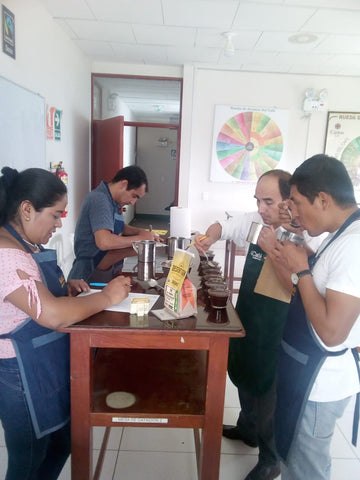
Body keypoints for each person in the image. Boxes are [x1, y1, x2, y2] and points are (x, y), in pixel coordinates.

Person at [0, 166, 131, 480]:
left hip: (43, 363)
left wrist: (64, 289)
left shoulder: (25, 244)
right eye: (56, 215)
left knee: (61, 443)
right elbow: (53, 315)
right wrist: (107, 297)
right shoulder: (7, 254)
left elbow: (35, 295)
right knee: (28, 460)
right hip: (20, 373)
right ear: (27, 209)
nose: (59, 224)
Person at [195, 169, 322, 480]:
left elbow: (300, 283)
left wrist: (277, 243)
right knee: (244, 372)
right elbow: (224, 225)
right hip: (250, 315)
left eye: (269, 201)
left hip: (278, 327)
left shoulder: (304, 236)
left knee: (269, 391)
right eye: (258, 200)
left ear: (289, 202)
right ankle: (246, 427)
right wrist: (210, 236)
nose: (262, 208)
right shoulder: (255, 221)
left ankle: (271, 458)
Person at [271, 155, 360, 480]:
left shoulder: (355, 246)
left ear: (322, 199)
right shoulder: (340, 235)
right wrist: (296, 259)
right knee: (297, 460)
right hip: (306, 374)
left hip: (320, 383)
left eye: (295, 203)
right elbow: (315, 289)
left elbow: (332, 332)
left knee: (306, 470)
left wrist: (300, 269)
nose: (292, 211)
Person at [68, 165, 162, 283]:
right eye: (134, 196)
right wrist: (140, 239)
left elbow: (117, 226)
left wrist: (141, 232)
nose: (133, 202)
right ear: (123, 184)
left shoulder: (114, 202)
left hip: (108, 270)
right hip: (89, 274)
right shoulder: (100, 199)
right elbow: (104, 242)